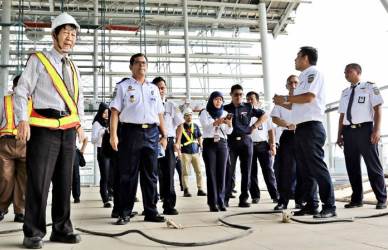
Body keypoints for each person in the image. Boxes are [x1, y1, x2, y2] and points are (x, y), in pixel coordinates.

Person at [15, 12, 85, 248]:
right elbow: (22, 91)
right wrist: (22, 120)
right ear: (54, 35)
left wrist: (80, 127)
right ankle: (33, 232)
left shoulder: (73, 66)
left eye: (73, 34)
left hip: (67, 128)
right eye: (66, 33)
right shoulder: (39, 59)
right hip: (43, 127)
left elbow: (78, 99)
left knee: (64, 182)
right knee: (39, 182)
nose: (70, 38)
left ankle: (61, 229)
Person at [273, 46, 336, 219]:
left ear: (306, 58)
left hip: (312, 127)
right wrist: (281, 102)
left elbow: (309, 97)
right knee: (304, 169)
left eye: (297, 56)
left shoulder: (312, 73)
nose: (295, 59)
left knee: (316, 167)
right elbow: (296, 104)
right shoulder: (302, 77)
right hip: (300, 128)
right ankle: (311, 205)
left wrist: (285, 98)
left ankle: (329, 206)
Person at [110, 53, 167, 225]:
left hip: (151, 133)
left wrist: (164, 135)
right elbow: (114, 112)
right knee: (128, 175)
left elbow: (159, 113)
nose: (142, 65)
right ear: (131, 66)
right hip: (130, 133)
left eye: (144, 63)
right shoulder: (123, 86)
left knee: (151, 175)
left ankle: (151, 210)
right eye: (138, 62)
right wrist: (113, 135)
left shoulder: (154, 88)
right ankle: (125, 212)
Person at [337, 63, 387, 209]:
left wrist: (377, 130)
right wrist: (339, 134)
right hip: (348, 131)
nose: (345, 73)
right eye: (344, 71)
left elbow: (377, 108)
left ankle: (382, 198)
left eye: (349, 71)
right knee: (352, 166)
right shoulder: (345, 92)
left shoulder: (370, 86)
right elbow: (342, 115)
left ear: (358, 72)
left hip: (365, 130)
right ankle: (357, 199)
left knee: (373, 166)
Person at [224, 84, 267, 208]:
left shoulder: (248, 107)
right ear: (231, 95)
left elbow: (264, 115)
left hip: (246, 142)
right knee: (229, 171)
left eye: (240, 94)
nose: (238, 96)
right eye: (236, 94)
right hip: (231, 142)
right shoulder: (226, 108)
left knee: (246, 171)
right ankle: (225, 198)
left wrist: (253, 127)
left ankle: (244, 199)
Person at [271, 75, 304, 210]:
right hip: (288, 136)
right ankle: (283, 201)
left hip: (302, 135)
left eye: (296, 82)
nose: (293, 84)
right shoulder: (280, 101)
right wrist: (288, 125)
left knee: (302, 169)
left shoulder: (304, 99)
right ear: (286, 86)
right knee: (285, 170)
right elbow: (275, 118)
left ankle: (300, 200)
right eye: (290, 82)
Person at [152, 76, 183, 215]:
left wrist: (177, 142)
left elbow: (180, 124)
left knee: (169, 174)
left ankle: (169, 205)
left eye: (163, 87)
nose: (160, 90)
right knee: (152, 175)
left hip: (169, 143)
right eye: (158, 87)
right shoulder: (149, 104)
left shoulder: (172, 106)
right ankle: (151, 207)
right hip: (153, 142)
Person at [0, 75, 27, 223]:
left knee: (25, 179)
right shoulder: (4, 101)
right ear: (14, 87)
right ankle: (1, 207)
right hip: (6, 144)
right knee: (5, 177)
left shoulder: (33, 102)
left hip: (26, 144)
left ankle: (20, 211)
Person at [200, 91, 233, 212]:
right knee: (211, 173)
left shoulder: (225, 113)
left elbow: (229, 132)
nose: (218, 101)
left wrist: (229, 124)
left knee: (222, 173)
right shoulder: (205, 112)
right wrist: (218, 122)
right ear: (211, 100)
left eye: (220, 99)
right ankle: (212, 202)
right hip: (209, 143)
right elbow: (205, 127)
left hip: (222, 144)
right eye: (216, 99)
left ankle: (221, 201)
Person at [246, 91, 279, 204]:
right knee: (251, 172)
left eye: (252, 99)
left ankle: (275, 195)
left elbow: (271, 130)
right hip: (249, 145)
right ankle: (255, 196)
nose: (249, 101)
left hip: (262, 145)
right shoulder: (245, 114)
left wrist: (273, 145)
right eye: (248, 99)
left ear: (258, 101)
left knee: (268, 171)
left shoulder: (265, 114)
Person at [180, 108, 206, 197]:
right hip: (185, 152)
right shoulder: (180, 127)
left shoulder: (195, 125)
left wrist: (201, 145)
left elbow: (199, 136)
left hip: (195, 152)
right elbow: (178, 139)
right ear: (184, 117)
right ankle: (186, 190)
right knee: (185, 172)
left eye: (190, 115)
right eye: (187, 115)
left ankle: (200, 189)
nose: (189, 117)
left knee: (199, 171)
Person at [91, 102, 112, 208]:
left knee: (112, 175)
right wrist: (102, 132)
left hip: (111, 150)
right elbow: (93, 140)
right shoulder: (97, 124)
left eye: (107, 113)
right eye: (104, 113)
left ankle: (111, 194)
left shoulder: (110, 122)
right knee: (105, 175)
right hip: (102, 151)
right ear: (100, 113)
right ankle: (105, 199)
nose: (106, 115)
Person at [72, 136, 88, 203]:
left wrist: (82, 150)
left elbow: (86, 138)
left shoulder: (77, 127)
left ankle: (76, 197)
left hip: (75, 151)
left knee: (76, 176)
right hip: (66, 150)